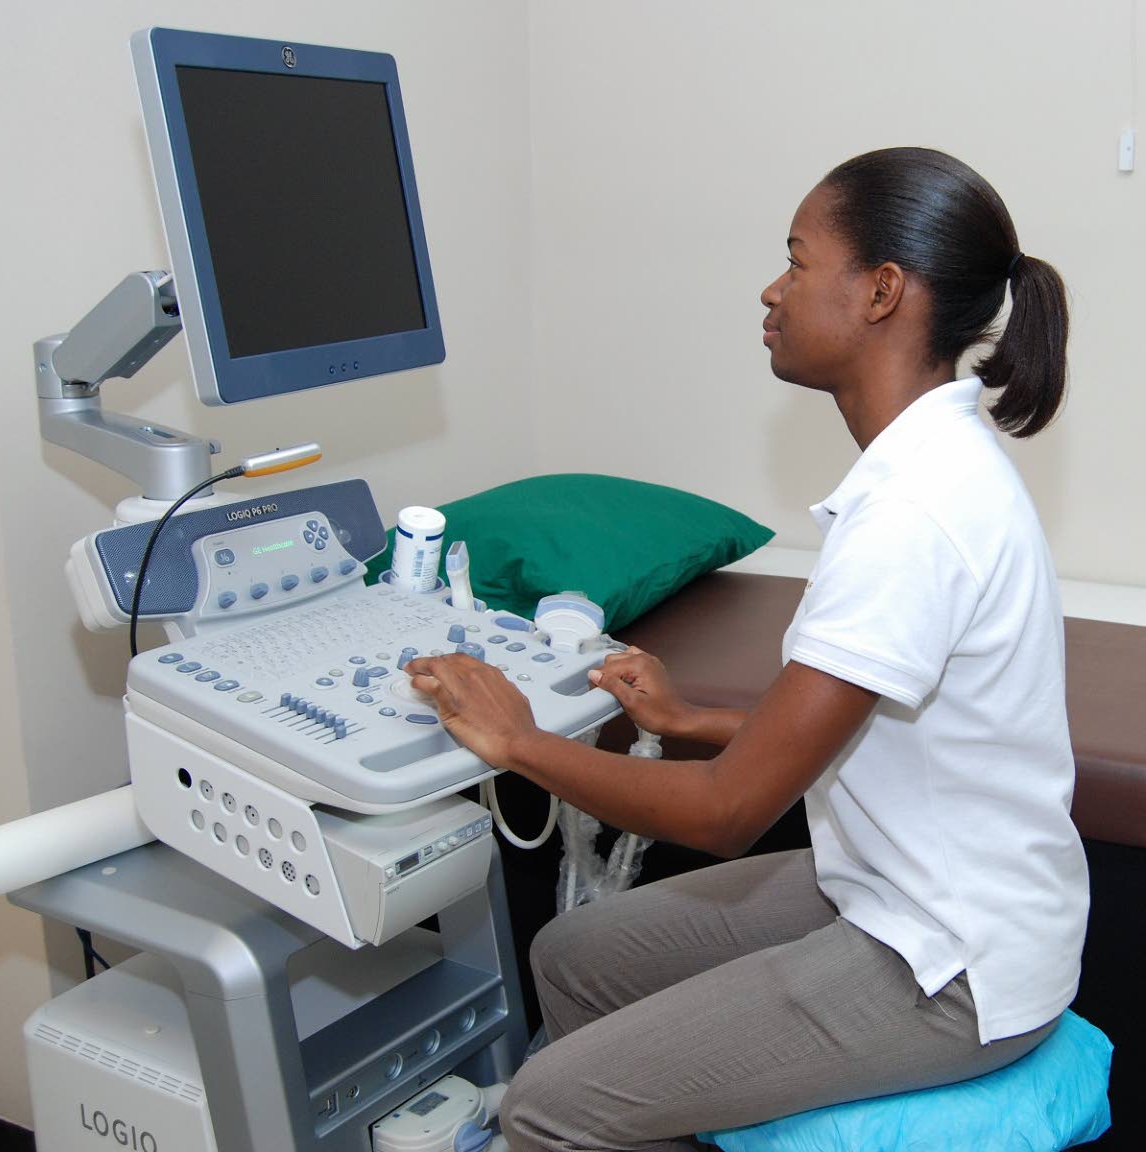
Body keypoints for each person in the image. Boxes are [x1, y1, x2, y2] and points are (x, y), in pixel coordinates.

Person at [405, 147, 1089, 1152]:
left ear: (881, 292)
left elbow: (730, 812)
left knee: (544, 1106)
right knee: (575, 957)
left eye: (799, 262)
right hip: (907, 883)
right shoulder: (933, 466)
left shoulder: (915, 513)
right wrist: (689, 720)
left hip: (952, 964)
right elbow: (880, 726)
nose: (772, 290)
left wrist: (521, 743)